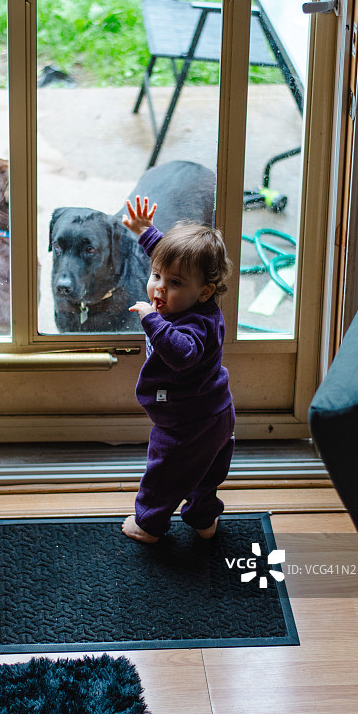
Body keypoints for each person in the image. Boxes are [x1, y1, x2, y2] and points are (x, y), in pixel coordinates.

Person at [121, 195, 235, 543]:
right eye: (156, 276)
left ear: (205, 292)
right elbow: (171, 260)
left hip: (186, 424)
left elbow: (181, 353)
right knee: (205, 475)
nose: (160, 287)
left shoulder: (196, 325)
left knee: (164, 473)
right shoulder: (194, 295)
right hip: (214, 413)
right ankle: (204, 521)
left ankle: (149, 525)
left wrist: (151, 319)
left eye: (174, 284)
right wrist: (146, 232)